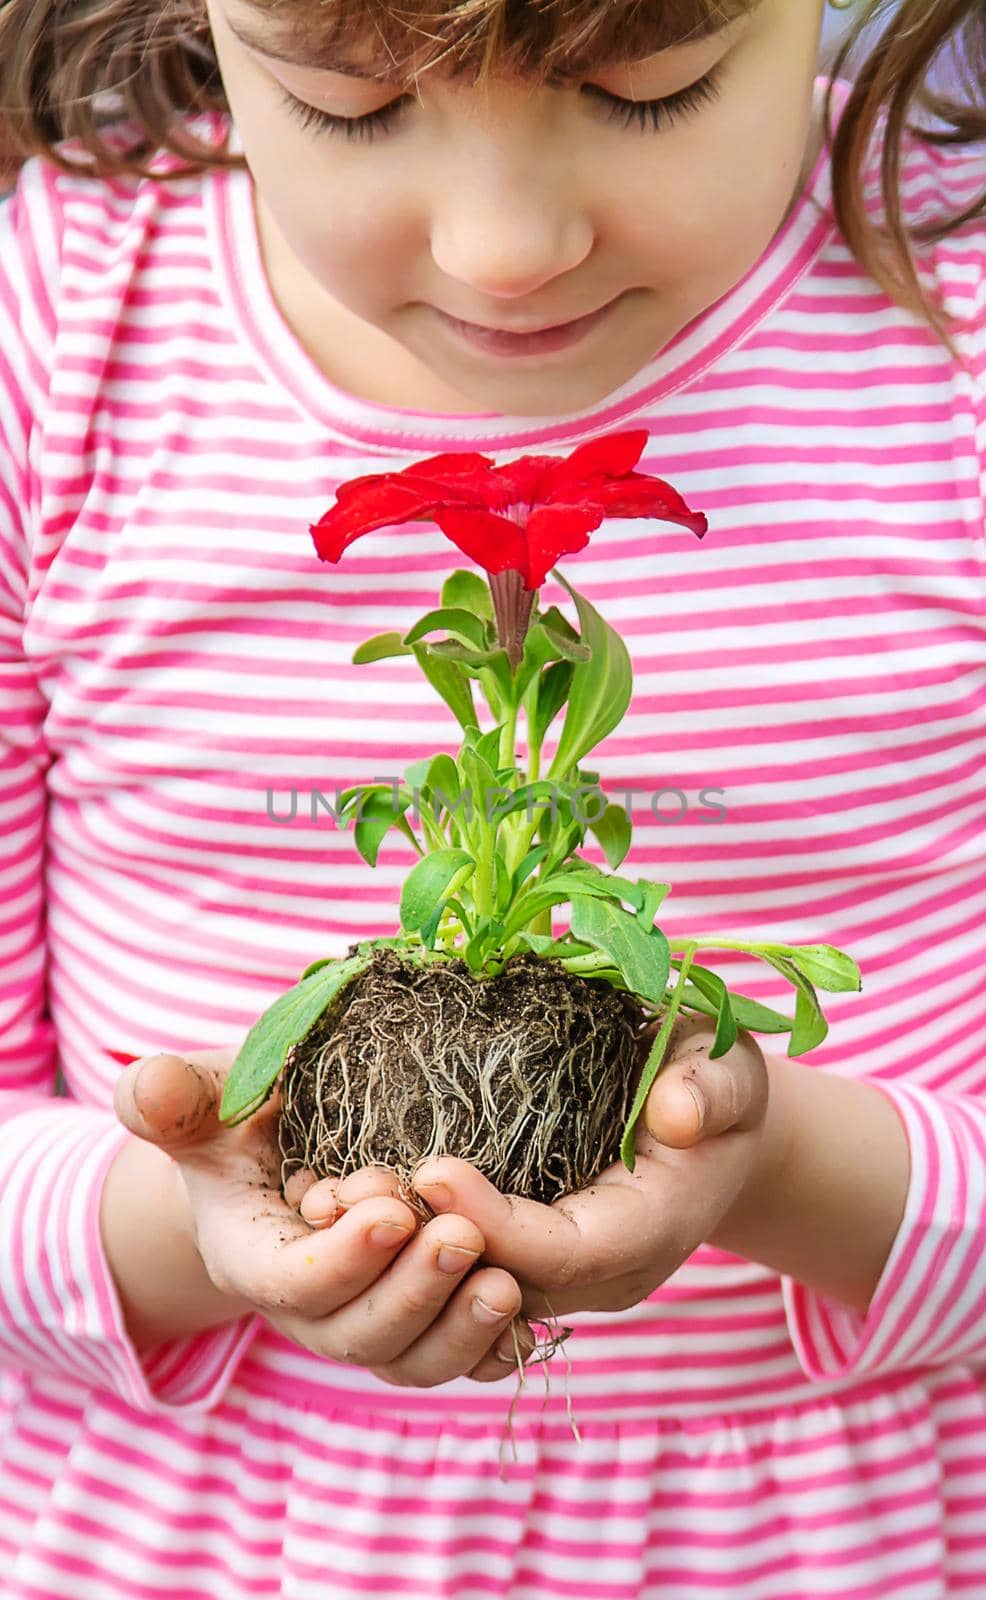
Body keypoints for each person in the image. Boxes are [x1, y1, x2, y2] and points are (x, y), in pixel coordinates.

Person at [0, 0, 983, 1593]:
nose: (504, 245)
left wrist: (784, 1163)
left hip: (825, 1544)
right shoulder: (61, 326)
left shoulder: (951, 325)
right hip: (196, 1541)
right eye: (352, 108)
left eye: (648, 90)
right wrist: (192, 1229)